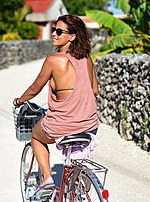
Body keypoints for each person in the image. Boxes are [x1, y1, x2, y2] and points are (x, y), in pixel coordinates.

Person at [13, 14, 100, 195]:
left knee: (36, 136)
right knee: (74, 162)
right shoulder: (87, 59)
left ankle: (47, 178)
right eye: (54, 29)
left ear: (72, 36)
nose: (54, 33)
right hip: (89, 126)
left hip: (62, 126)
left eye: (59, 31)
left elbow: (34, 89)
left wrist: (19, 100)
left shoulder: (54, 60)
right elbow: (95, 91)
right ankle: (76, 183)